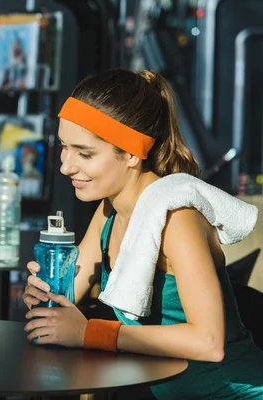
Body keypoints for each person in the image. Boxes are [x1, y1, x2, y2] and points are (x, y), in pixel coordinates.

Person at [23, 69, 263, 399]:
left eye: (85, 153)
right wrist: (45, 294)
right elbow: (66, 300)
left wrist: (91, 333)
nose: (66, 165)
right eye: (65, 147)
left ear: (134, 152)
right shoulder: (108, 211)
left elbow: (208, 342)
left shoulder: (178, 219)